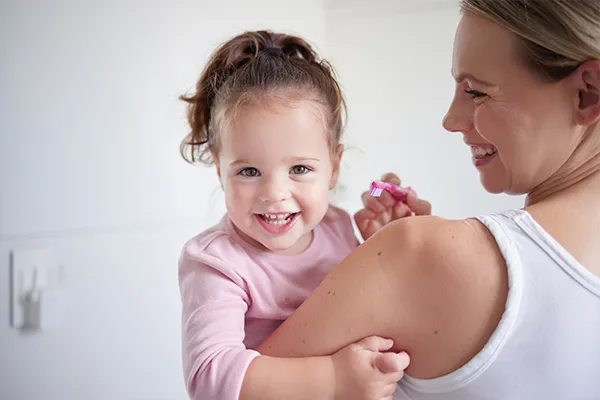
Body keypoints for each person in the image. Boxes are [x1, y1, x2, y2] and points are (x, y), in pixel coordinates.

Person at [257, 1, 600, 399]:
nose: (451, 120)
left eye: (476, 91)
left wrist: (408, 258)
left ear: (587, 93)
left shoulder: (419, 254)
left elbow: (227, 388)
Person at [177, 30, 420, 400]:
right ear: (218, 169)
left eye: (300, 169)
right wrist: (335, 378)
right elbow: (210, 378)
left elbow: (368, 308)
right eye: (249, 171)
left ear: (334, 167)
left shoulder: (340, 227)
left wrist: (385, 245)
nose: (274, 193)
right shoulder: (215, 262)